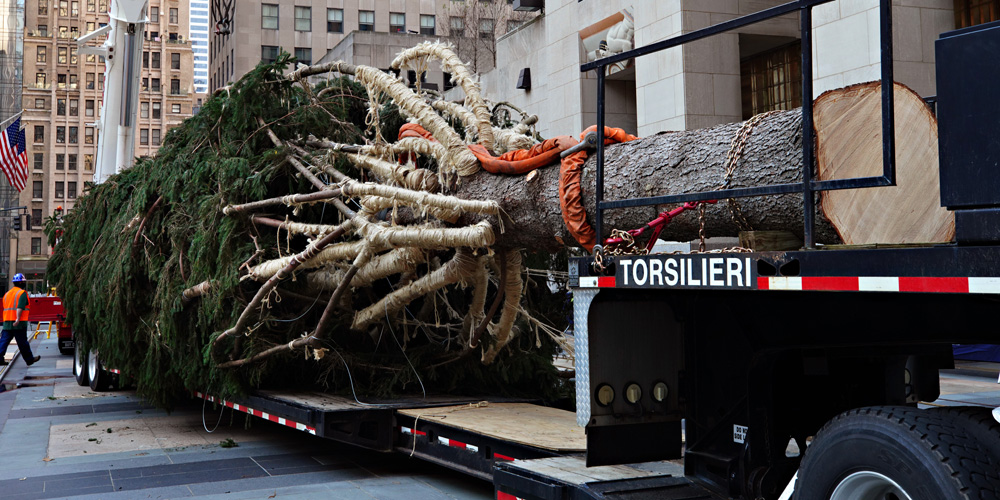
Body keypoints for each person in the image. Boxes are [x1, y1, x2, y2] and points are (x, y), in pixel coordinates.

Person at [0, 274, 39, 366]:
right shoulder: (22, 293)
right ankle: (29, 359)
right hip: (19, 323)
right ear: (21, 282)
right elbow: (20, 307)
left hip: (7, 322)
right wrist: (17, 319)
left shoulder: (7, 294)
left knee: (3, 342)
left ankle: (0, 358)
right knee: (22, 343)